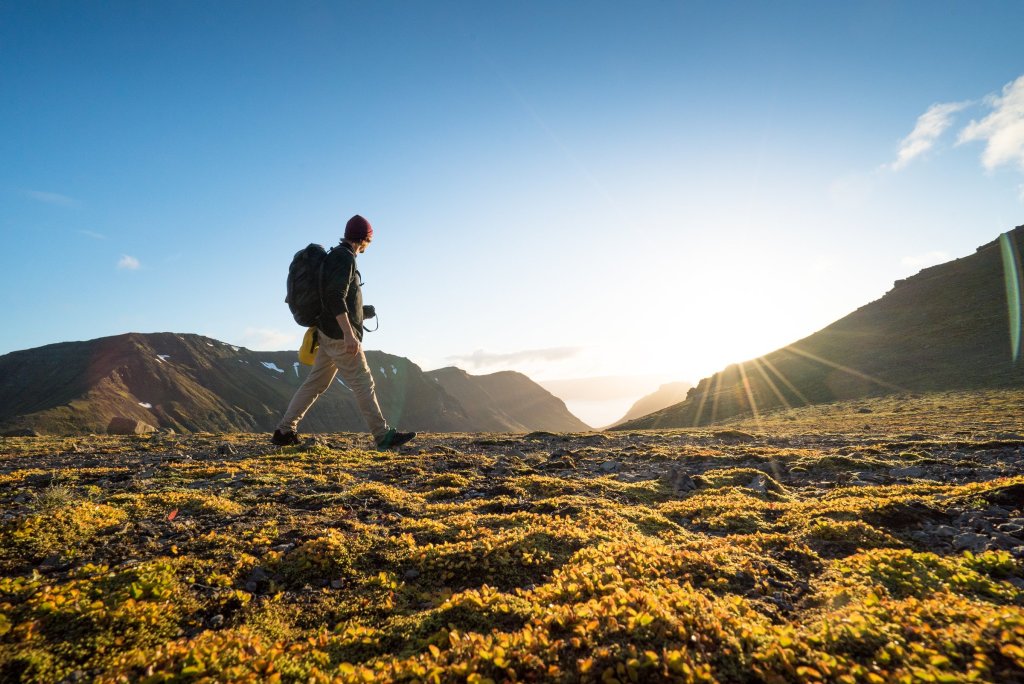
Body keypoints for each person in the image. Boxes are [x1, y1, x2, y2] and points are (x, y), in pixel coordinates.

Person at [271, 215, 416, 450]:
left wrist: (361, 311)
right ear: (365, 238)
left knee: (315, 384)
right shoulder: (345, 258)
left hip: (327, 333)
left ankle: (284, 430)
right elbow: (334, 296)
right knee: (363, 382)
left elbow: (338, 295)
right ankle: (382, 436)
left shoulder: (336, 256)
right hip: (339, 336)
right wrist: (349, 334)